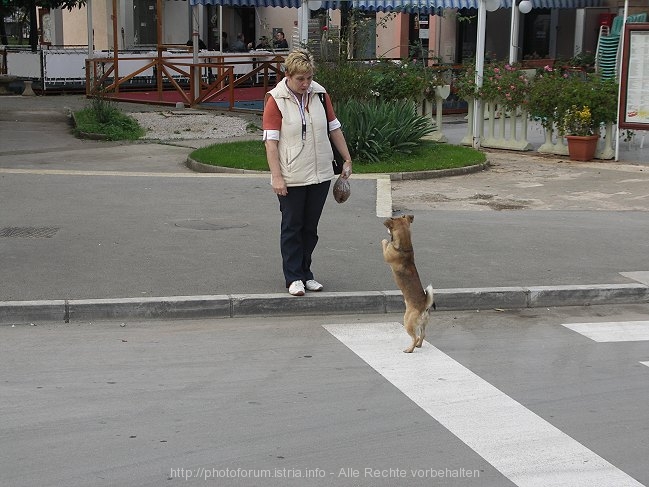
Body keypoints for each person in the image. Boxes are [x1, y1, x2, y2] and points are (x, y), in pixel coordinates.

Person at [262, 48, 352, 296]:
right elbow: (271, 143)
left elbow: (334, 128)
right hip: (291, 176)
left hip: (320, 173)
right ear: (288, 75)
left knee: (310, 228)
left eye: (309, 77)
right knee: (292, 226)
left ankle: (306, 273)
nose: (306, 83)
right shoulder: (276, 99)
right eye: (300, 78)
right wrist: (277, 177)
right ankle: (293, 277)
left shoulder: (320, 95)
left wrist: (346, 158)